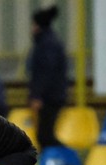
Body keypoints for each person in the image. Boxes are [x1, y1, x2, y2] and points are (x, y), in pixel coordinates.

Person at [27, 5, 67, 148]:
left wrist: (37, 95)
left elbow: (44, 72)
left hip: (49, 97)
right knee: (45, 135)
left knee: (45, 136)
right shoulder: (50, 42)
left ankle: (66, 157)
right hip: (53, 95)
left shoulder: (46, 44)